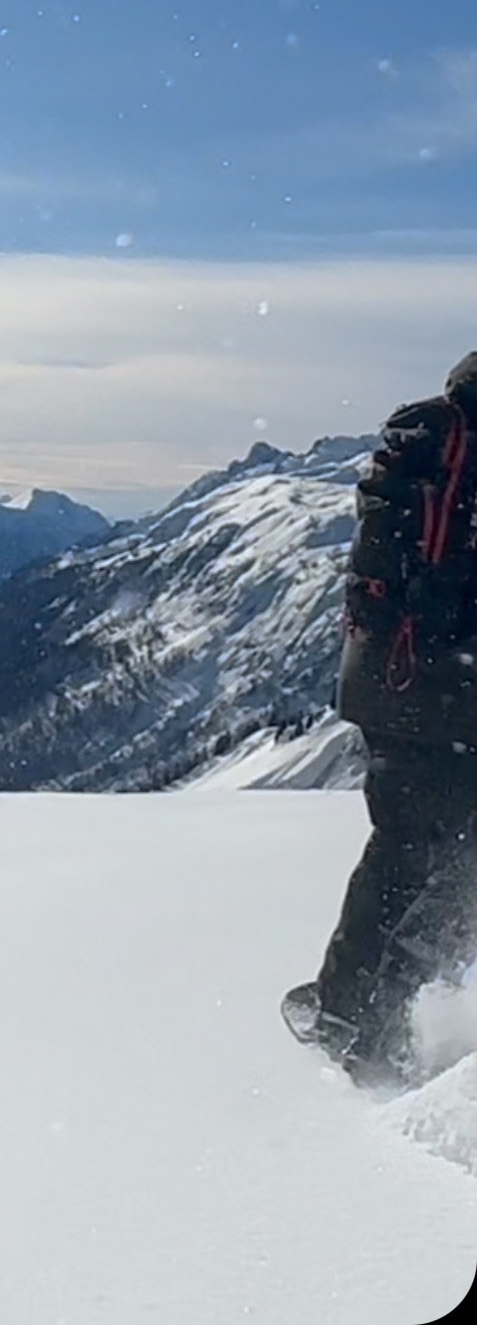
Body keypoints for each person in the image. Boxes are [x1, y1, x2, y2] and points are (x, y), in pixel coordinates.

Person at [285, 354, 477, 1083]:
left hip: (385, 679)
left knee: (403, 846)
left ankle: (347, 1007)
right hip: (449, 691)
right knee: (451, 863)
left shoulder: (424, 444)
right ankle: (384, 1034)